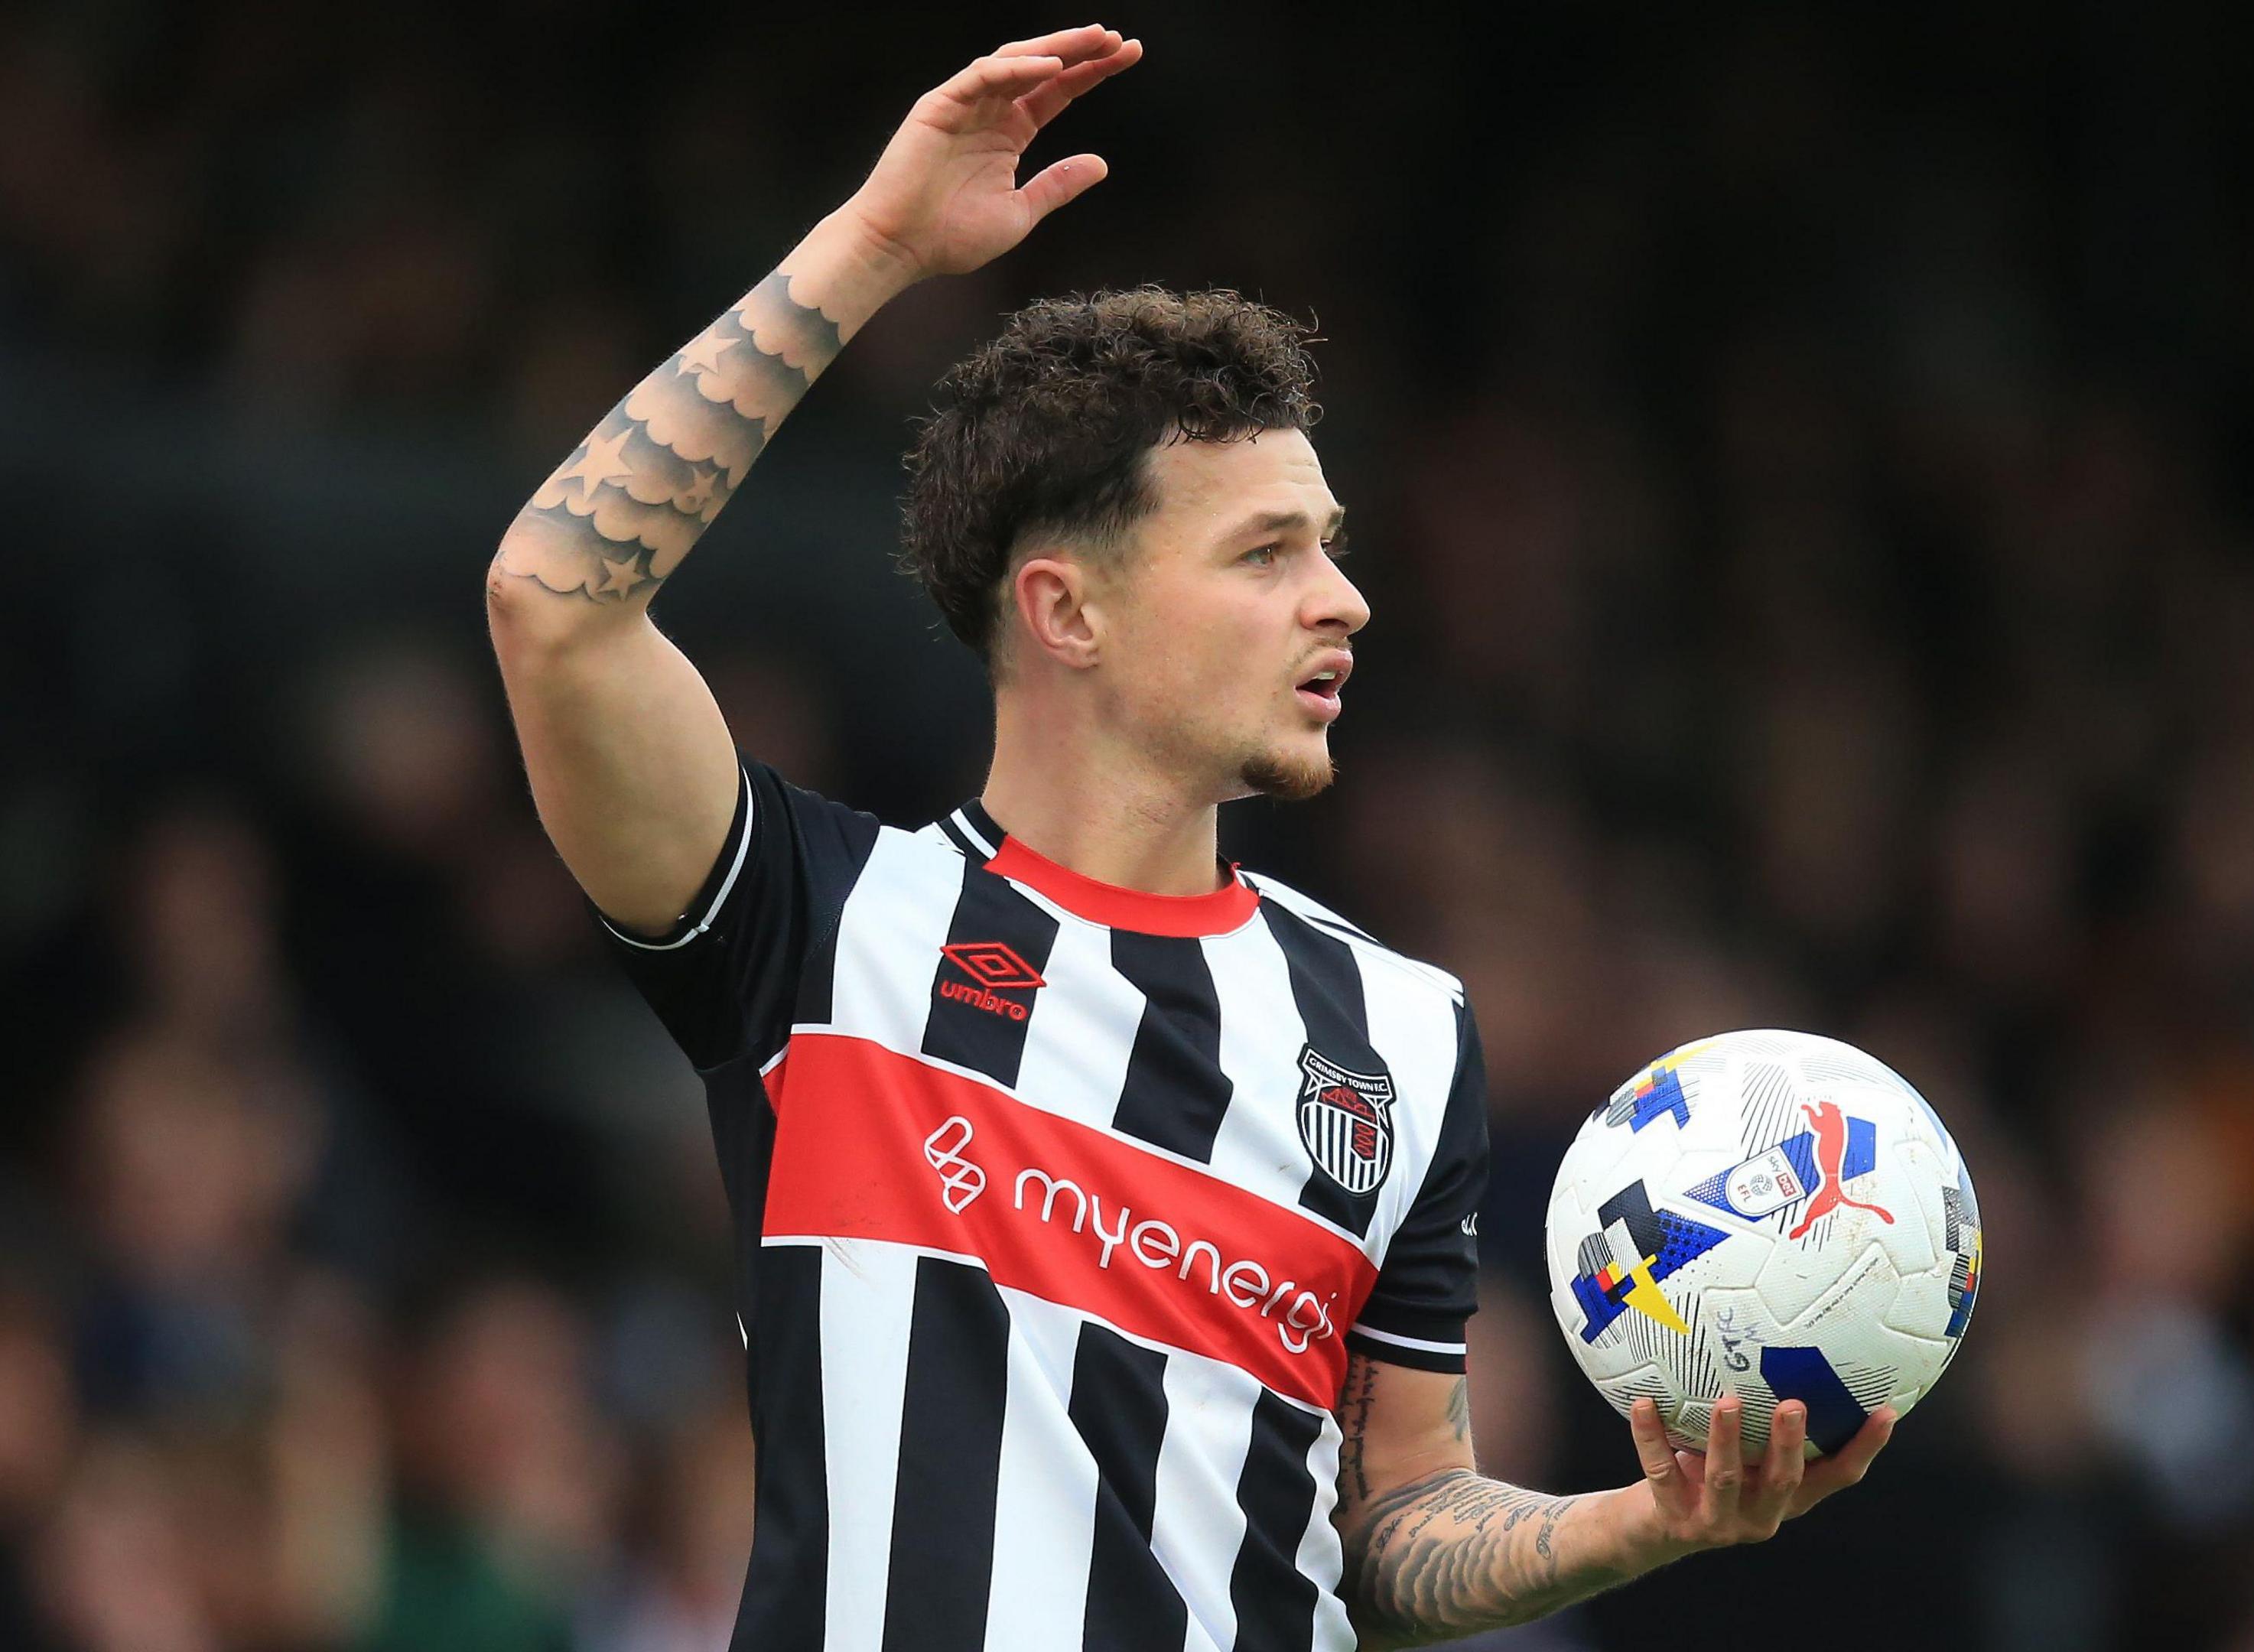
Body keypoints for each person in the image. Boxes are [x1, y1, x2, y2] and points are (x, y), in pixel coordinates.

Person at [483, 25, 1892, 1650]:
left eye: (1334, 546)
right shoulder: (823, 927)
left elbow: (1395, 1524)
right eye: (1266, 552)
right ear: (1065, 610)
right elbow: (555, 604)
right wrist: (874, 248)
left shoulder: (1401, 1035)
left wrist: (1642, 1522)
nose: (1342, 598)